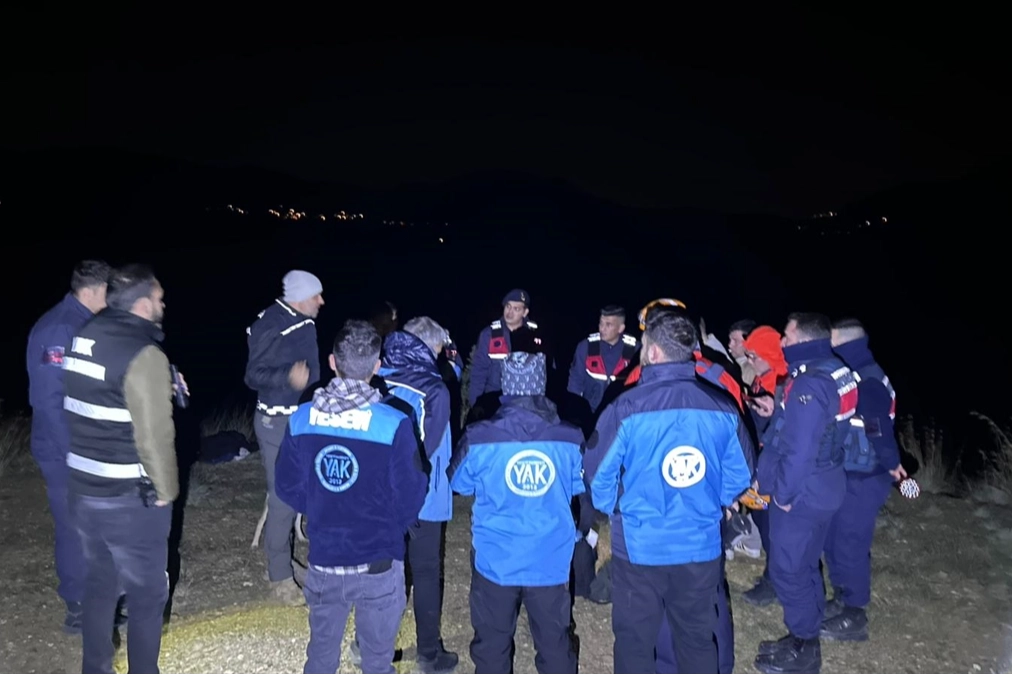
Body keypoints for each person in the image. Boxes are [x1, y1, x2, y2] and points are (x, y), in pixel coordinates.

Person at [584, 310, 753, 675]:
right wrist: (715, 501)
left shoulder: (625, 408)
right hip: (699, 546)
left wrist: (615, 507)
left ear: (655, 352)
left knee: (635, 643)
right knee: (697, 639)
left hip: (640, 548)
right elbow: (741, 475)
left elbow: (597, 477)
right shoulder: (722, 408)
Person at [274, 320, 427, 675]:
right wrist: (392, 526)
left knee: (321, 657)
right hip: (379, 561)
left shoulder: (302, 418)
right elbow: (412, 492)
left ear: (332, 362)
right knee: (377, 662)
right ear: (377, 367)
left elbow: (286, 485)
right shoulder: (394, 422)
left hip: (326, 557)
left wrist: (319, 508)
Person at [63, 264, 182, 675]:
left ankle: (95, 668)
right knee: (148, 595)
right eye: (160, 298)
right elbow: (155, 435)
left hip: (83, 488)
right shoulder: (143, 353)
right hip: (128, 498)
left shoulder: (83, 336)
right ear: (143, 304)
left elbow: (95, 399)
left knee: (100, 585)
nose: (164, 304)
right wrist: (166, 490)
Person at [449, 350, 583, 675]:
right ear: (542, 384)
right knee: (554, 643)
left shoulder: (478, 436)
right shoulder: (570, 436)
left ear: (506, 385)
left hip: (496, 560)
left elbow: (458, 482)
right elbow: (580, 484)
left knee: (492, 645)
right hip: (549, 559)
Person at [753, 312, 855, 675]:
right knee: (806, 563)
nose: (782, 342)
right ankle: (805, 635)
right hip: (827, 482)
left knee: (787, 569)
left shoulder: (811, 383)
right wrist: (779, 406)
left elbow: (800, 450)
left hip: (803, 490)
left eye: (787, 336)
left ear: (806, 340)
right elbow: (821, 424)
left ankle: (804, 648)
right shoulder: (836, 370)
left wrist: (782, 495)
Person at [25, 259, 112, 632]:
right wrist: (74, 453)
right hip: (65, 450)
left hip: (89, 446)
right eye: (109, 292)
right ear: (94, 291)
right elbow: (49, 401)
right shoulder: (59, 329)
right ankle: (77, 605)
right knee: (74, 527)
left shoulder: (85, 323)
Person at [372, 317, 459, 674]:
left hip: (381, 490)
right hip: (424, 494)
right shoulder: (435, 388)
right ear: (428, 347)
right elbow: (430, 444)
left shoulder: (378, 375)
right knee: (424, 571)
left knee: (383, 569)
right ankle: (428, 653)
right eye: (438, 349)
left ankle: (369, 645)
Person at [822, 318, 907, 642]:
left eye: (831, 342)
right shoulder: (853, 375)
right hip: (848, 472)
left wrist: (892, 463)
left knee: (850, 543)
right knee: (833, 539)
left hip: (865, 476)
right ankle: (842, 597)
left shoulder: (868, 379)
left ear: (846, 344)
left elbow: (877, 427)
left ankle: (855, 614)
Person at [244, 270, 324, 604]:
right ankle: (279, 576)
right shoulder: (271, 323)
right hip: (276, 421)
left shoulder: (302, 321)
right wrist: (287, 376)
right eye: (316, 295)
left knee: (305, 489)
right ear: (301, 296)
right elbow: (253, 375)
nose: (321, 301)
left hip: (302, 419)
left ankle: (290, 561)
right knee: (283, 497)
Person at [565, 305, 639, 600]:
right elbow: (574, 387)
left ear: (621, 328)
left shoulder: (634, 349)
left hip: (623, 425)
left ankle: (614, 513)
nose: (602, 327)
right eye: (601, 322)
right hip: (591, 423)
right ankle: (589, 521)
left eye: (609, 324)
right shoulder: (586, 347)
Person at [467, 289, 540, 417]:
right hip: (495, 403)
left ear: (525, 312)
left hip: (527, 405)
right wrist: (476, 404)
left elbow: (545, 372)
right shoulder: (489, 334)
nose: (510, 312)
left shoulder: (535, 335)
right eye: (508, 306)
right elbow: (478, 372)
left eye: (516, 309)